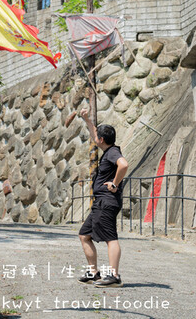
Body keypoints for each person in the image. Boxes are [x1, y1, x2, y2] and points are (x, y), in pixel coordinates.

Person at [77, 107, 128, 287]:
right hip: (101, 202)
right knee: (84, 235)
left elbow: (124, 165)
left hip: (107, 201)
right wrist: (87, 120)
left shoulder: (113, 153)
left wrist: (114, 184)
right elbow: (95, 135)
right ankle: (94, 273)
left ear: (102, 140)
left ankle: (114, 276)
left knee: (110, 237)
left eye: (97, 136)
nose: (95, 138)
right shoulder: (107, 149)